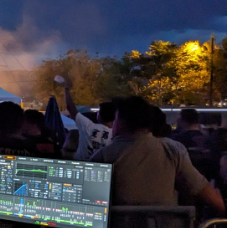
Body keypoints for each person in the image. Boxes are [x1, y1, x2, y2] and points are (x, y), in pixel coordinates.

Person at [89, 97, 224, 214]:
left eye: (116, 120)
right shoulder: (172, 150)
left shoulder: (103, 156)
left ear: (122, 122)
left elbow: (89, 207)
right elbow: (203, 190)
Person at [63, 84, 114, 160]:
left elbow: (71, 108)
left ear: (99, 116)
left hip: (80, 166)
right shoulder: (117, 136)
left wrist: (66, 89)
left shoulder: (88, 126)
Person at [172, 108, 219, 181]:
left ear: (182, 121)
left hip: (184, 182)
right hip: (206, 182)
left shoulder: (177, 140)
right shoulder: (210, 140)